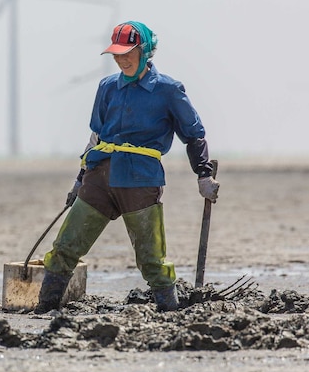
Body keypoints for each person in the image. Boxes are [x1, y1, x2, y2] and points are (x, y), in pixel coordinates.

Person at [35, 20, 219, 313]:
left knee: (151, 260)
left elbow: (194, 135)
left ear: (145, 51)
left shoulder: (169, 90)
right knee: (65, 247)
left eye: (128, 52)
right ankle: (44, 309)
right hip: (99, 179)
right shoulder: (107, 87)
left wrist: (203, 175)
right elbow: (95, 137)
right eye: (117, 54)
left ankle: (168, 312)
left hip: (140, 179)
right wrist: (79, 180)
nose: (122, 59)